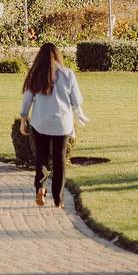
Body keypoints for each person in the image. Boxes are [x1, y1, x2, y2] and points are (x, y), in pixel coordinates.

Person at [20, 42, 87, 208]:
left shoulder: (35, 74)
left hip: (40, 122)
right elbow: (76, 100)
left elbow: (27, 100)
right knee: (59, 160)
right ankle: (58, 198)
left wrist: (23, 119)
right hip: (61, 124)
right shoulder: (68, 74)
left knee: (41, 157)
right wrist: (79, 115)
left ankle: (40, 187)